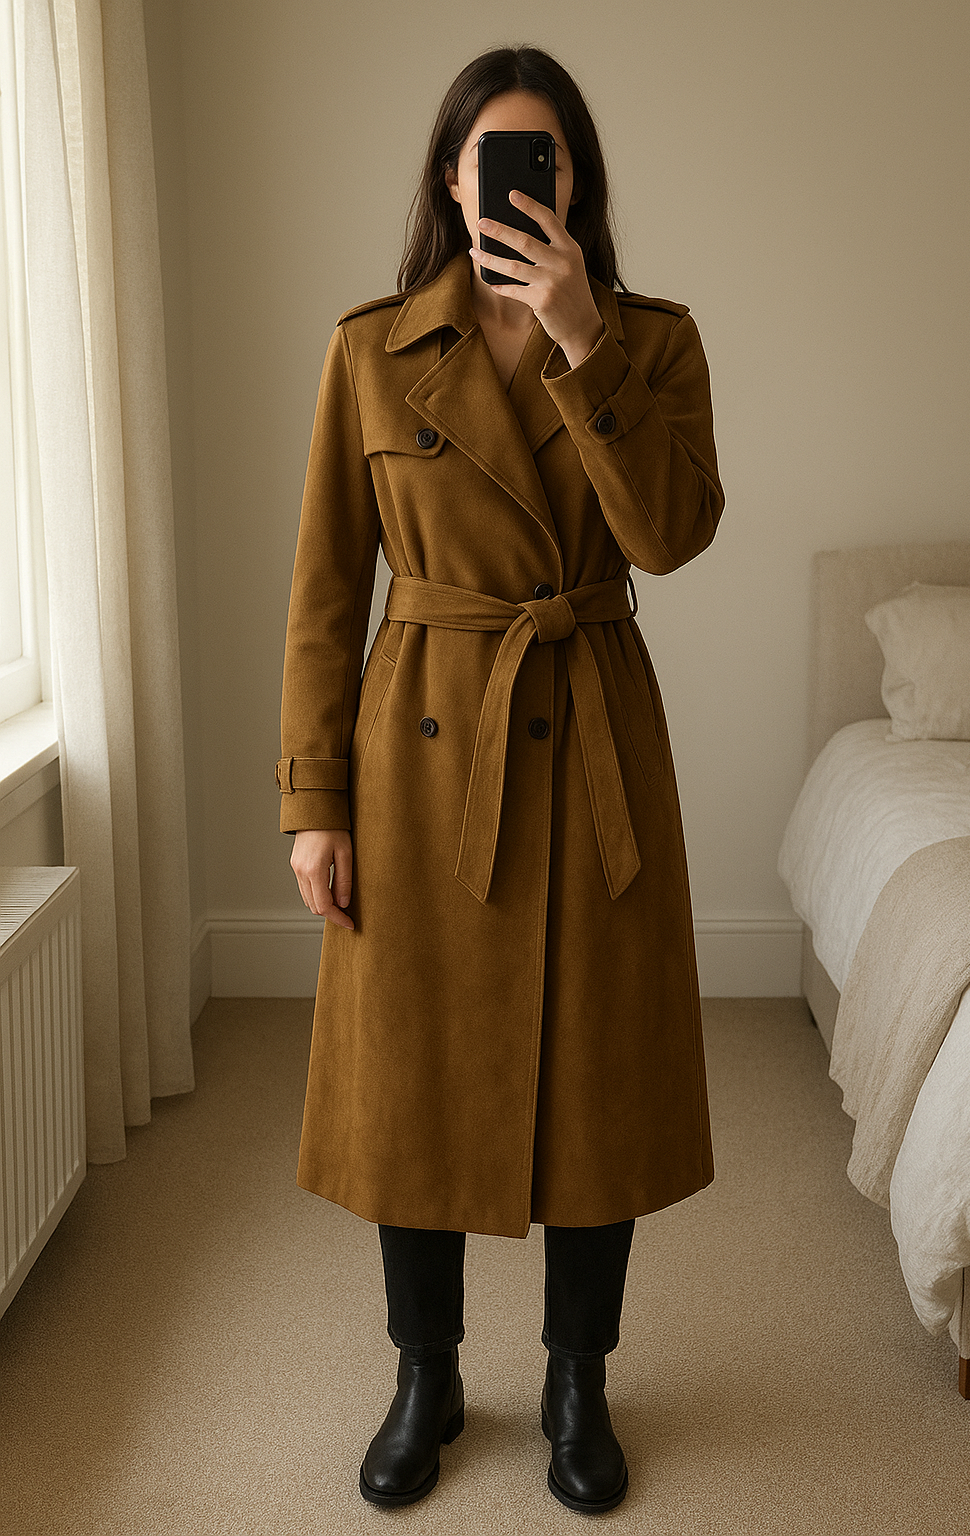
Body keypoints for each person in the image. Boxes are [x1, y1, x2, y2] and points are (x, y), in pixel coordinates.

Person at [278, 44, 724, 1514]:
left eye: (549, 159)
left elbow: (665, 538)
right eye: (494, 159)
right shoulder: (370, 348)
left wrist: (584, 341)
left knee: (596, 1079)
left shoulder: (651, 342)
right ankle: (426, 1374)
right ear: (451, 177)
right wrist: (313, 801)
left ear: (577, 183)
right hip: (423, 758)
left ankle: (578, 1382)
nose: (521, 183)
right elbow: (327, 594)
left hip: (590, 727)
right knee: (414, 1074)